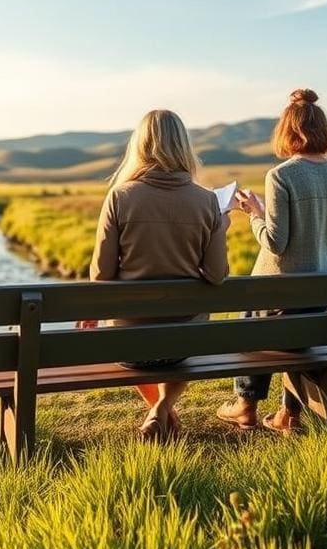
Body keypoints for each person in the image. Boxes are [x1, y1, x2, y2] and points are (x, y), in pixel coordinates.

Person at [78, 109, 230, 441]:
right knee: (181, 329)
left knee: (133, 329)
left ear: (140, 146)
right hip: (186, 341)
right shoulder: (207, 202)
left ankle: (158, 412)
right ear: (184, 147)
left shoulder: (120, 196)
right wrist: (221, 227)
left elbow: (101, 274)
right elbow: (217, 276)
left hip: (130, 343)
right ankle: (161, 410)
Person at [216, 88, 327, 434]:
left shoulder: (281, 176)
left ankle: (245, 405)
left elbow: (275, 243)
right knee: (294, 331)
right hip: (320, 299)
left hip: (279, 301)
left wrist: (255, 214)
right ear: (322, 131)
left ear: (287, 132)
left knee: (252, 316)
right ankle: (288, 416)